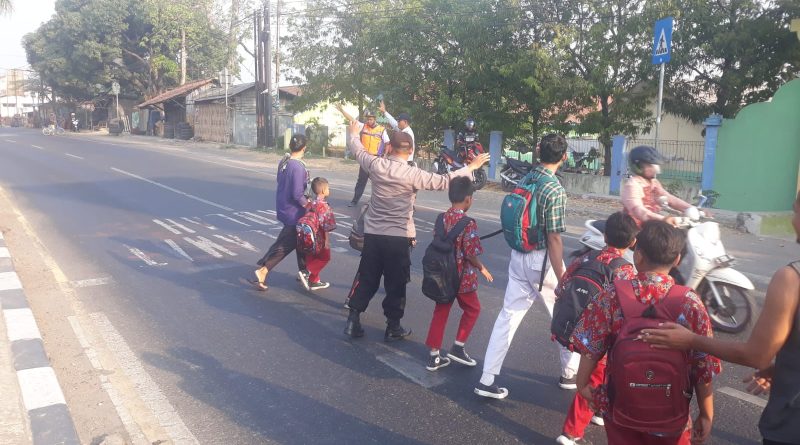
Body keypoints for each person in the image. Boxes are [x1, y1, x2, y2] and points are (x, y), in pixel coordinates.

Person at [641, 189, 800, 445]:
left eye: (795, 212)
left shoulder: (791, 279)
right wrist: (784, 368)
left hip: (790, 425)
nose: (793, 220)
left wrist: (691, 340)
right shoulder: (690, 301)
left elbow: (756, 356)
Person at [571, 220, 721, 445]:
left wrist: (583, 385)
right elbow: (703, 365)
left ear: (638, 256)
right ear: (677, 260)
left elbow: (589, 347)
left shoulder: (612, 295)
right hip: (671, 417)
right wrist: (706, 414)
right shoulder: (690, 303)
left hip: (621, 410)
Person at [343, 123, 490, 341]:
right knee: (396, 283)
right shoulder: (413, 174)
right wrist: (471, 167)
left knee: (367, 278)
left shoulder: (375, 165)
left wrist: (354, 134)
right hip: (399, 237)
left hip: (373, 235)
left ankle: (353, 320)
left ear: (390, 148)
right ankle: (393, 326)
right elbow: (444, 181)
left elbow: (358, 151)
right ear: (411, 150)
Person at [475, 133, 579, 399]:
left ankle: (487, 378)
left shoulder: (526, 178)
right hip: (541, 262)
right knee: (564, 315)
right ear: (563, 157)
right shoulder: (554, 189)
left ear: (538, 152)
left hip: (518, 255)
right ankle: (570, 374)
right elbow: (554, 239)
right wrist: (563, 278)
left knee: (508, 316)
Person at [555, 212, 639, 445]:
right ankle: (571, 433)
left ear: (605, 236)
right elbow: (628, 310)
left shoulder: (584, 258)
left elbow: (560, 289)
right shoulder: (625, 270)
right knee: (594, 379)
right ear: (633, 242)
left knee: (603, 376)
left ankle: (600, 411)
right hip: (603, 337)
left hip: (576, 329)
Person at [424, 177, 493, 371]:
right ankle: (458, 346)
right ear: (468, 199)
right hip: (462, 279)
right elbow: (470, 254)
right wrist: (483, 269)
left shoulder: (441, 218)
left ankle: (434, 356)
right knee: (473, 309)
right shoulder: (468, 223)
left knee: (440, 312)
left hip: (442, 276)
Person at [252, 134, 311, 291]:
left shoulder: (284, 161)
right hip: (295, 212)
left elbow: (281, 182)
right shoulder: (298, 167)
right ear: (304, 148)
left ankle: (305, 272)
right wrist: (309, 205)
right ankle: (263, 270)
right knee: (286, 245)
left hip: (284, 206)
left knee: (300, 242)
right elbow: (297, 194)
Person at [622, 145, 697, 227]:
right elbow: (636, 209)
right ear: (638, 166)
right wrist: (663, 219)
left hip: (650, 224)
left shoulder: (653, 182)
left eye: (655, 166)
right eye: (650, 165)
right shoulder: (633, 184)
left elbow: (670, 198)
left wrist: (692, 208)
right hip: (633, 227)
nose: (655, 169)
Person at [334, 104, 390, 207]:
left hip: (375, 159)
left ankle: (379, 203)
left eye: (371, 119)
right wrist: (342, 111)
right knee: (361, 181)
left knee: (378, 182)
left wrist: (385, 156)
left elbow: (387, 143)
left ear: (375, 119)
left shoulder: (382, 130)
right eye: (368, 119)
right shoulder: (363, 126)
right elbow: (351, 119)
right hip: (365, 158)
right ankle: (354, 200)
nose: (369, 121)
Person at [305, 177, 336, 291]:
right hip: (320, 235)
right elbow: (326, 225)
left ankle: (314, 281)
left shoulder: (311, 203)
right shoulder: (323, 205)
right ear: (323, 190)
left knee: (312, 256)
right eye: (328, 188)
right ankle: (308, 271)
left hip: (310, 234)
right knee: (325, 257)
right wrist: (327, 240)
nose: (329, 190)